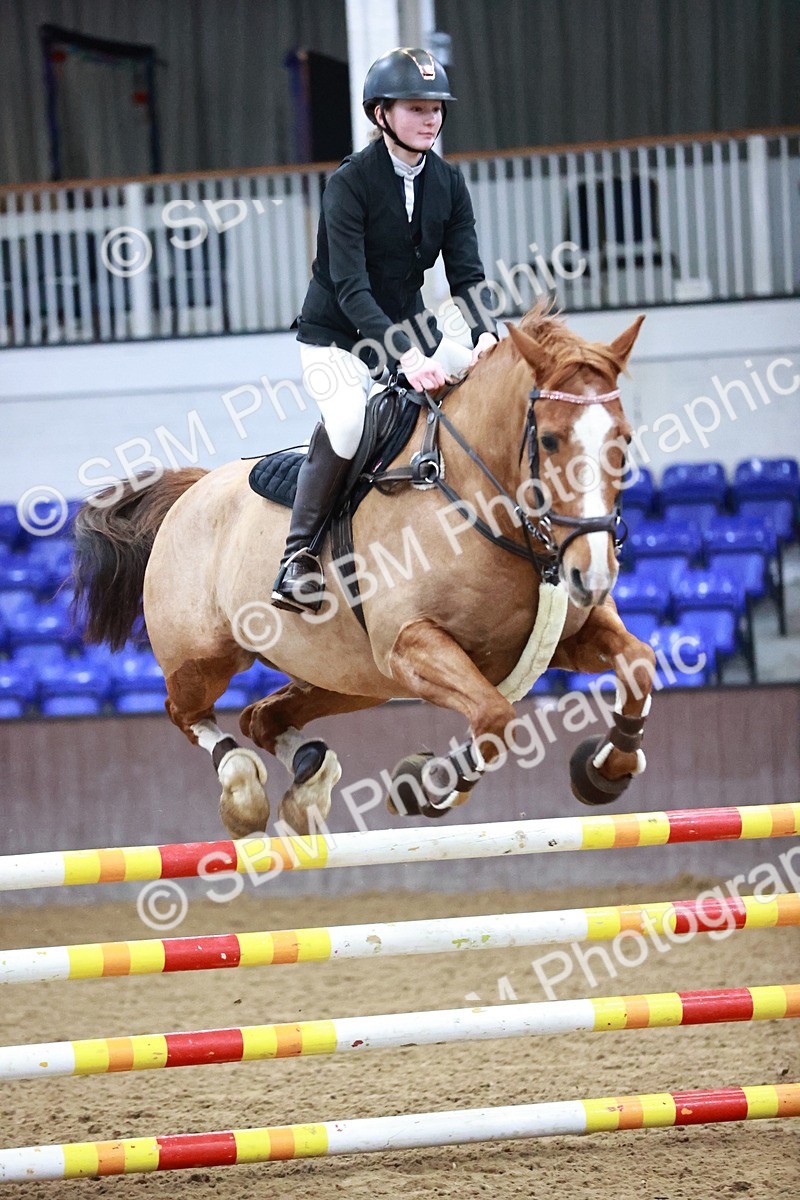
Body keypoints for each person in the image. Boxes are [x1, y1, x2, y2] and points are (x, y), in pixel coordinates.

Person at [271, 46, 499, 613]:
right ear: (381, 115)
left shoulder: (449, 183)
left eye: (436, 108)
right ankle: (296, 558)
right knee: (349, 422)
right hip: (336, 338)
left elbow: (467, 275)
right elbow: (351, 288)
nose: (431, 119)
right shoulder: (349, 183)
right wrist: (404, 356)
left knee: (474, 387)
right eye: (416, 108)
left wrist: (487, 334)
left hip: (407, 331)